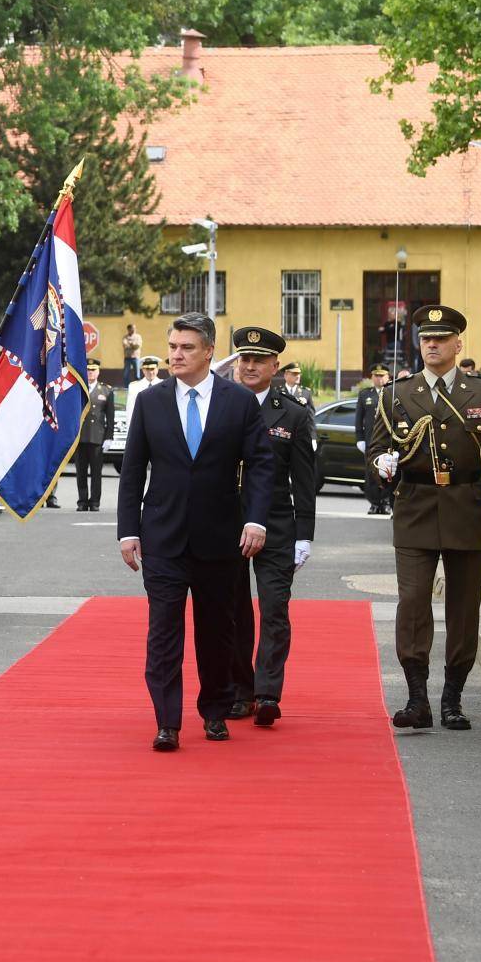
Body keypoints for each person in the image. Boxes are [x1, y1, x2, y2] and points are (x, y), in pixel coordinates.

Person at [116, 312, 274, 751]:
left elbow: (262, 463)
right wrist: (127, 531)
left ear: (208, 351)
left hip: (220, 538)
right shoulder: (150, 401)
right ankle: (167, 721)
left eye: (186, 347)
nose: (176, 355)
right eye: (172, 347)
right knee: (163, 633)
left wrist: (255, 519)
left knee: (216, 632)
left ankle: (215, 710)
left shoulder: (237, 402)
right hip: (162, 539)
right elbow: (132, 474)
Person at [369, 305, 481, 731]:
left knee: (463, 607)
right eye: (425, 338)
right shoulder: (396, 394)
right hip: (415, 507)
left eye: (441, 338)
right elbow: (377, 450)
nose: (432, 344)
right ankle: (417, 696)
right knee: (414, 603)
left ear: (458, 344)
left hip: (468, 507)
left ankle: (452, 696)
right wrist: (382, 463)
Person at [223, 327, 316, 726]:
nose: (249, 366)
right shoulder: (220, 405)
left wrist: (305, 535)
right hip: (226, 521)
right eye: (244, 359)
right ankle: (239, 691)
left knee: (275, 607)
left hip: (277, 523)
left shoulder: (292, 413)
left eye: (258, 360)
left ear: (275, 367)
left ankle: (267, 693)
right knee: (232, 611)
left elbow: (306, 480)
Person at [75, 357, 116, 511]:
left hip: (97, 437)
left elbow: (110, 416)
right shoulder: (78, 388)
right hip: (80, 436)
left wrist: (109, 437)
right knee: (81, 472)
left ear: (98, 372)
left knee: (96, 473)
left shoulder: (106, 390)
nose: (90, 373)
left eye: (93, 370)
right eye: (88, 370)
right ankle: (82, 501)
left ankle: (94, 502)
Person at [355, 363, 393, 514]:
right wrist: (360, 438)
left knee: (388, 472)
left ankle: (386, 501)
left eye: (382, 376)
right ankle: (374, 502)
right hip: (370, 440)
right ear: (372, 377)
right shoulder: (365, 394)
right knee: (371, 473)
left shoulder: (393, 392)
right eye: (376, 376)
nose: (379, 379)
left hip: (388, 441)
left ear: (388, 377)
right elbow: (359, 419)